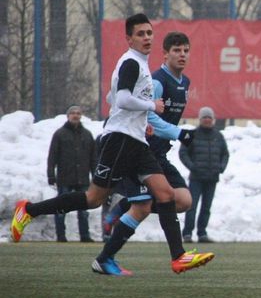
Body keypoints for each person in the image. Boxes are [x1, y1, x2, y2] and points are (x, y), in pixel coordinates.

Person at [10, 14, 213, 274]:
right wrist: (151, 106)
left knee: (165, 195)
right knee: (94, 198)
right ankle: (28, 210)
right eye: (140, 34)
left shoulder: (138, 65)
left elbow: (112, 97)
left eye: (149, 33)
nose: (147, 38)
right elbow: (123, 98)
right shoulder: (131, 63)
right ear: (129, 38)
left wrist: (142, 119)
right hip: (120, 140)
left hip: (136, 141)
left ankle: (178, 257)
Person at [93, 31, 198, 276]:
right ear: (165, 54)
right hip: (141, 150)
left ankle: (125, 207)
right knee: (140, 207)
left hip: (160, 154)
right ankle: (105, 257)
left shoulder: (185, 83)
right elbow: (149, 116)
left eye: (185, 50)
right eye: (176, 50)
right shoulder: (158, 81)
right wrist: (178, 133)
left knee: (183, 200)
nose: (182, 54)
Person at [46, 105, 96, 242]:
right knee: (61, 208)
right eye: (73, 113)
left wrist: (96, 176)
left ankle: (85, 236)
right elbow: (52, 157)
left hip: (83, 179)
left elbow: (93, 158)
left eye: (78, 113)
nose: (76, 115)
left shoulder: (87, 134)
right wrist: (51, 175)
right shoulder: (59, 134)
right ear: (68, 116)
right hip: (65, 178)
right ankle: (61, 236)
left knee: (84, 210)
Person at [180, 107, 230, 242]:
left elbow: (225, 154)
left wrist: (221, 167)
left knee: (206, 208)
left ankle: (202, 233)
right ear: (200, 119)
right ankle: (187, 233)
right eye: (204, 118)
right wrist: (192, 167)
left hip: (212, 177)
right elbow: (183, 153)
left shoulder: (218, 136)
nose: (207, 120)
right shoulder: (191, 134)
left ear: (213, 120)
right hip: (196, 178)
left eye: (209, 118)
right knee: (192, 206)